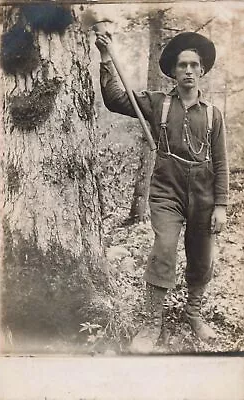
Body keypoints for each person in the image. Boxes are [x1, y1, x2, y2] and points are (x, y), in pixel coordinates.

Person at [95, 31, 229, 352]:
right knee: (164, 248)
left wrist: (221, 205)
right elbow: (116, 99)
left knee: (201, 255)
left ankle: (193, 314)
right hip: (167, 188)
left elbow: (222, 163)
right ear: (173, 70)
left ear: (202, 70)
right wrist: (105, 57)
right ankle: (151, 322)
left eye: (194, 65)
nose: (188, 70)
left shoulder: (213, 114)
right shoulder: (158, 102)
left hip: (204, 192)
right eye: (182, 64)